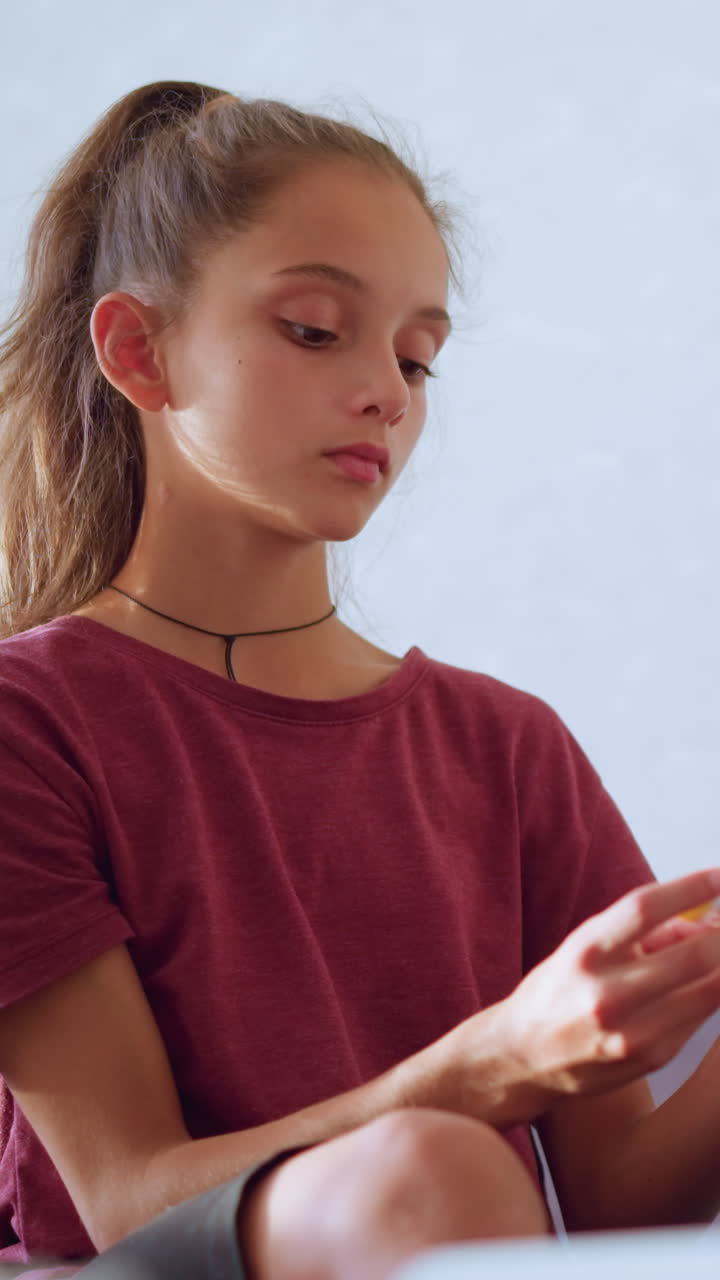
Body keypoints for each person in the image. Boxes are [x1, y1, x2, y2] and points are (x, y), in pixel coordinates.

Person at [1, 79, 720, 1280]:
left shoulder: (508, 744)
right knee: (435, 1168)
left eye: (420, 356)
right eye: (316, 329)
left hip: (440, 1241)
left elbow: (617, 1206)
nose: (388, 389)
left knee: (447, 1176)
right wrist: (482, 1069)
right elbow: (126, 1197)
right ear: (139, 350)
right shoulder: (30, 722)